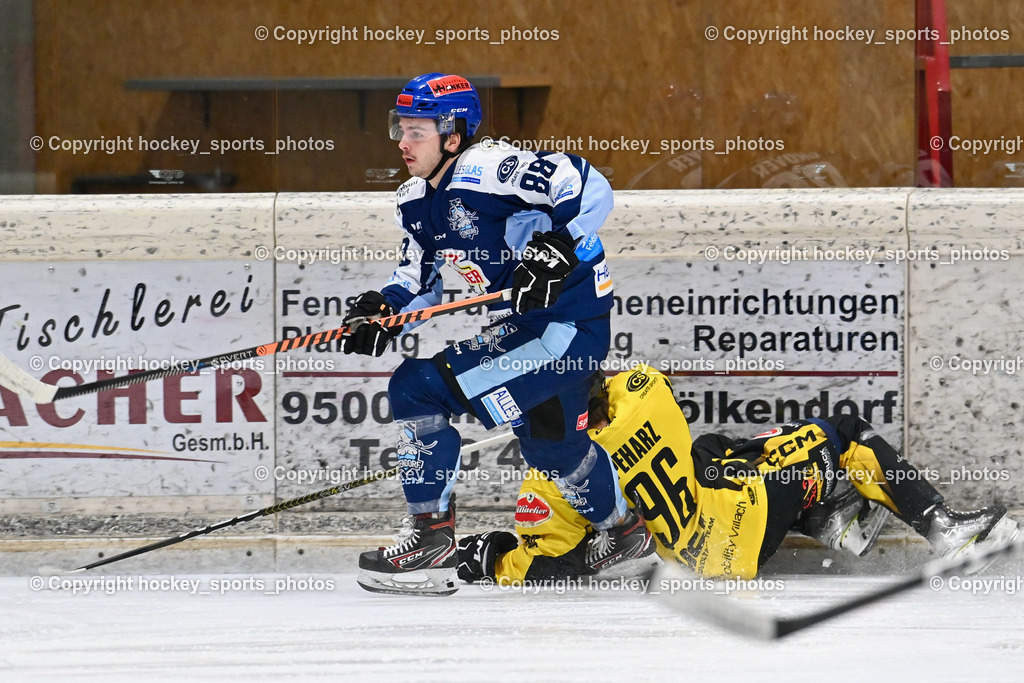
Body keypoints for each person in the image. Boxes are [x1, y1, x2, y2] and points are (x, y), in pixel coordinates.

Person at [344, 73, 647, 596]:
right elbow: (420, 282)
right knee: (556, 452)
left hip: (563, 328)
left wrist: (559, 245)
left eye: (416, 131)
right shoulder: (414, 201)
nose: (402, 141)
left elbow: (590, 187)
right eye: (400, 128)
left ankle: (431, 540)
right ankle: (626, 535)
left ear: (453, 135)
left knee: (415, 388)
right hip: (537, 331)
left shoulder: (491, 169)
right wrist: (384, 312)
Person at [456, 365, 1020, 585]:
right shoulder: (644, 391)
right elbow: (614, 386)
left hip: (697, 558)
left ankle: (828, 519)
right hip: (742, 516)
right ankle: (943, 525)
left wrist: (494, 556)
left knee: (713, 447)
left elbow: (554, 566)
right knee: (845, 431)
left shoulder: (544, 480)